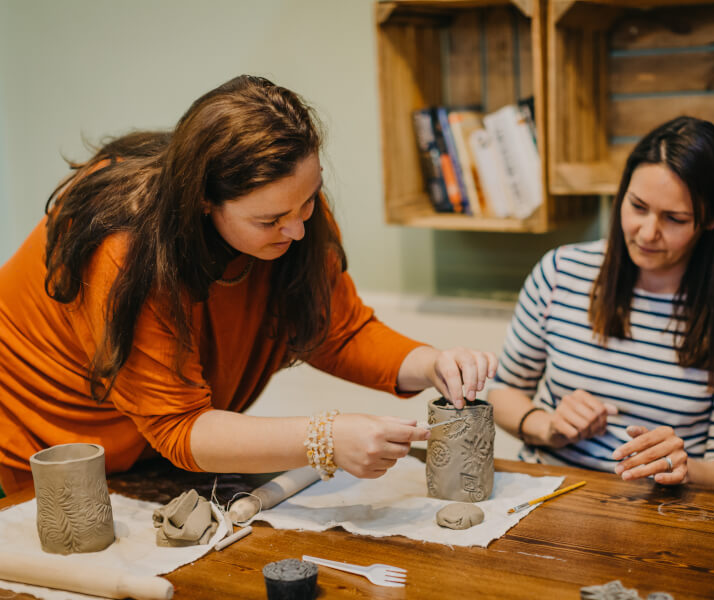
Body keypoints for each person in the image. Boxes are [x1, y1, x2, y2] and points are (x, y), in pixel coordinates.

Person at [0, 75, 497, 496]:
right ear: (202, 202)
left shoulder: (294, 212)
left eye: (309, 199)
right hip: (39, 454)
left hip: (153, 456)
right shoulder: (125, 247)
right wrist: (323, 437)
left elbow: (336, 331)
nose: (299, 229)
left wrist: (431, 363)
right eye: (269, 220)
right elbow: (179, 425)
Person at [488, 116, 714, 491]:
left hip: (662, 510)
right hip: (548, 490)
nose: (646, 232)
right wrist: (548, 427)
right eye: (637, 206)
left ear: (712, 220)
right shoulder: (561, 271)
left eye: (674, 218)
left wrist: (683, 467)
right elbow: (503, 390)